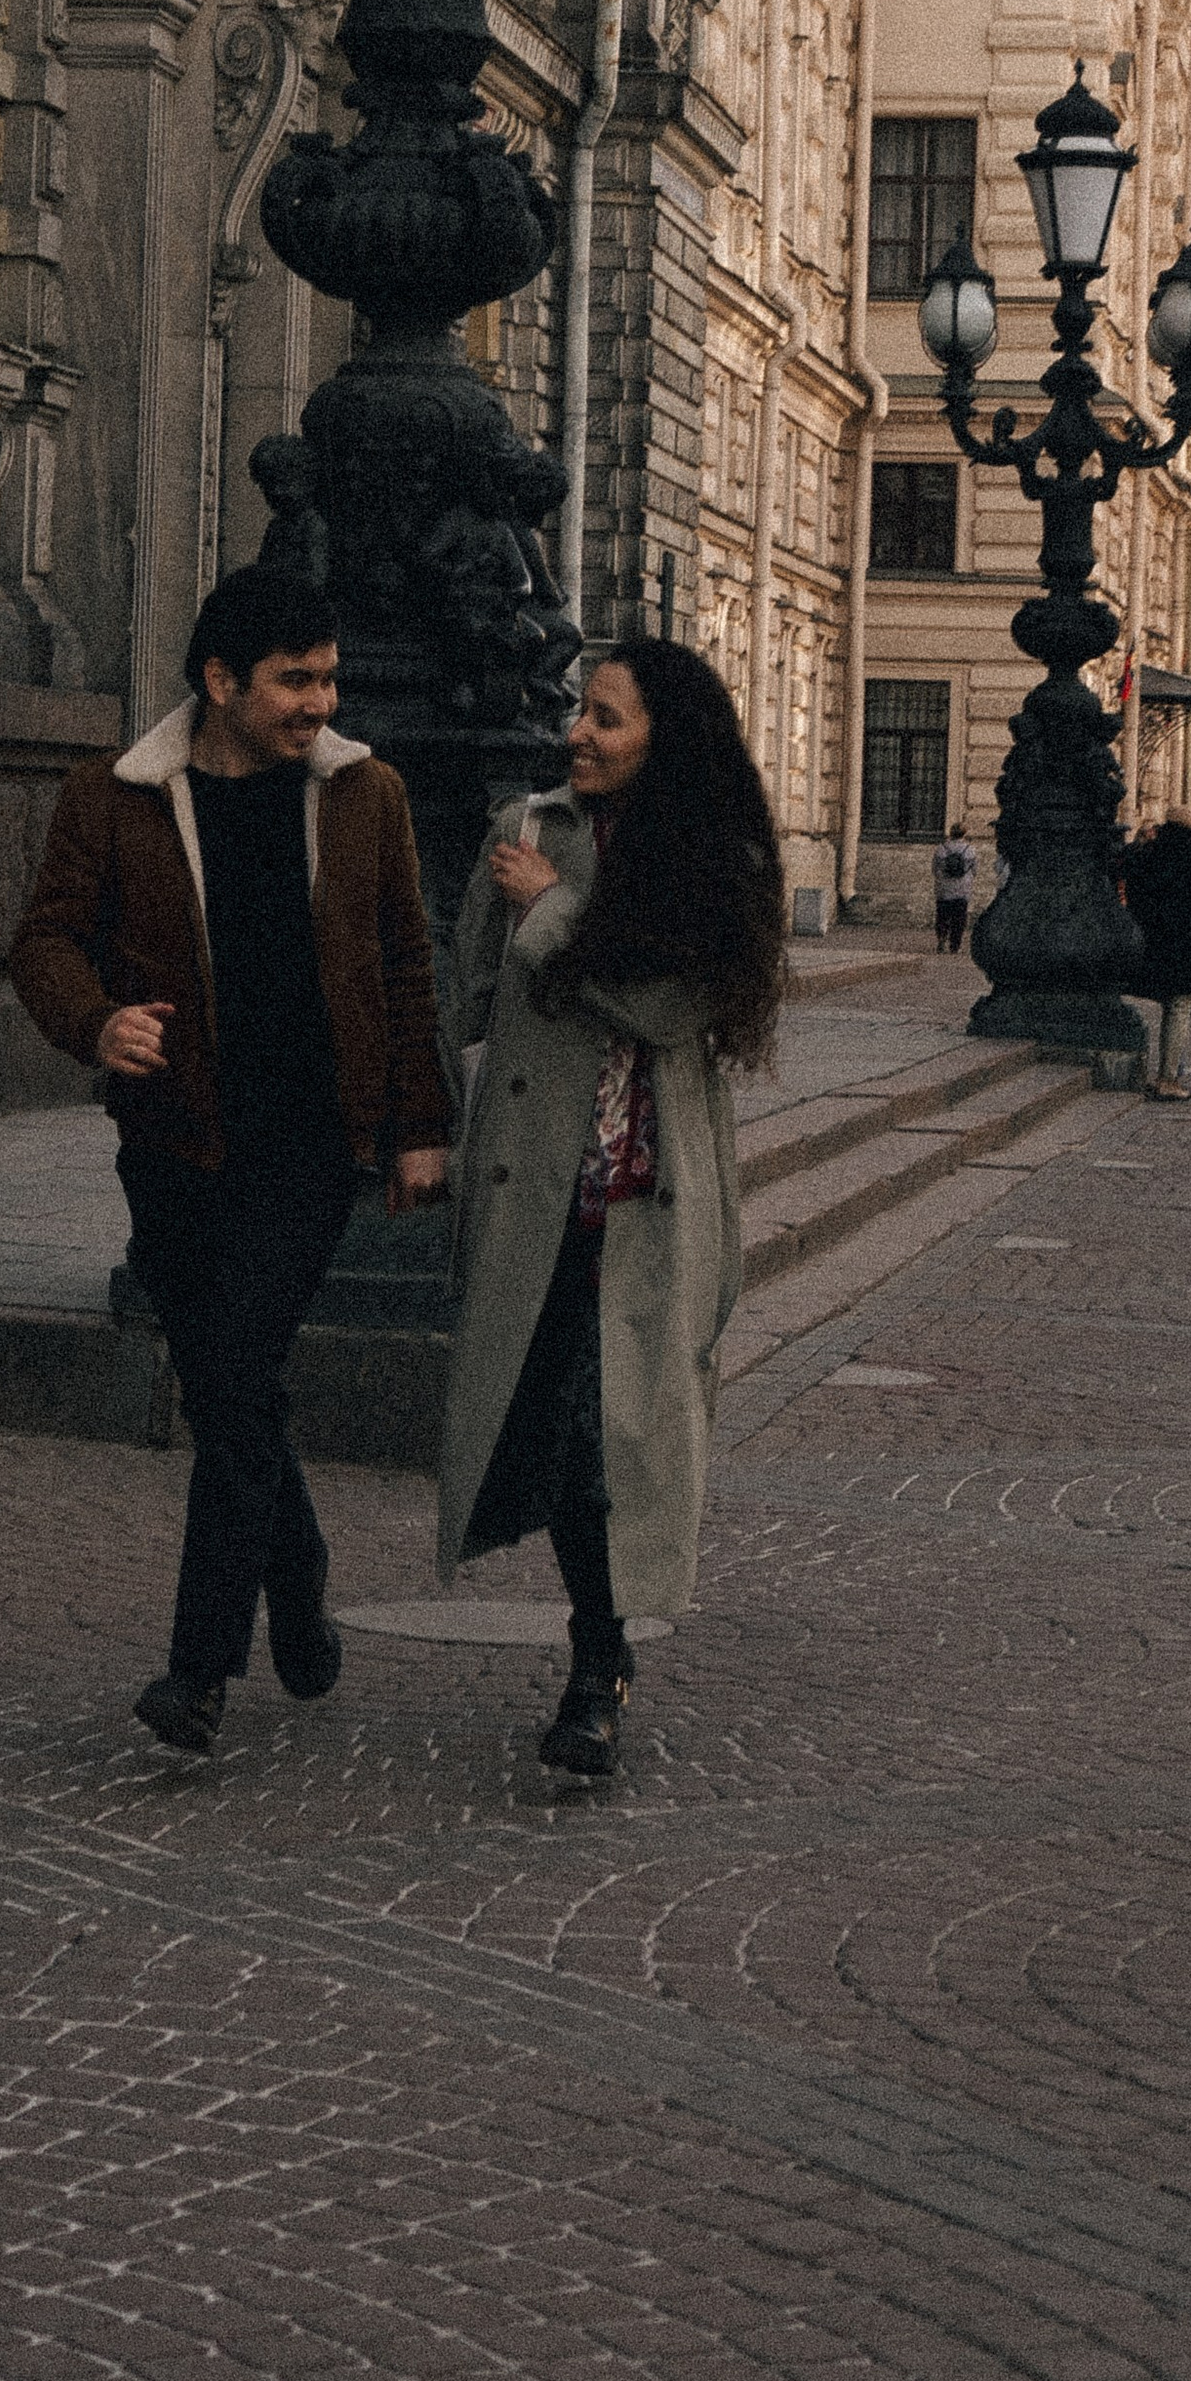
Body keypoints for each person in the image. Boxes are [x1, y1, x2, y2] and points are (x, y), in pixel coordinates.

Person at [10, 562, 453, 1755]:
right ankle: (298, 1573)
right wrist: (96, 1020)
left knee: (239, 1370)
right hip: (172, 1146)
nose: (320, 704)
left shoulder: (369, 797)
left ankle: (198, 1672)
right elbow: (45, 939)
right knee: (231, 1392)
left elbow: (408, 963)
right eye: (294, 681)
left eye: (329, 680)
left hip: (309, 1146)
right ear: (219, 681)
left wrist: (421, 1125)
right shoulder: (112, 798)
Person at [439, 641, 783, 1780]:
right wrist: (422, 1126)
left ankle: (596, 1666)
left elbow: (668, 1003)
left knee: (613, 1435)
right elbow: (470, 993)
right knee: (552, 1429)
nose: (577, 733)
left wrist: (555, 915)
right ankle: (597, 1647)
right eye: (578, 713)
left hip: (646, 1192)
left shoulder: (714, 857)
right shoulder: (525, 827)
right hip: (534, 1186)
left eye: (606, 717)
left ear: (662, 739)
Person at [1123, 804, 1191, 1100]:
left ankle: (1165, 1075)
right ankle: (1167, 1078)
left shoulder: (1150, 853)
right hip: (1187, 945)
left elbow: (1134, 890)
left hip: (1155, 942)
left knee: (1167, 1003)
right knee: (1179, 1007)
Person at [932, 821, 978, 953]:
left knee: (942, 915)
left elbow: (934, 868)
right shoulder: (970, 849)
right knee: (959, 918)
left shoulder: (941, 848)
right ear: (964, 833)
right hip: (962, 889)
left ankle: (941, 938)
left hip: (944, 888)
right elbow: (974, 870)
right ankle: (954, 945)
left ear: (951, 833)